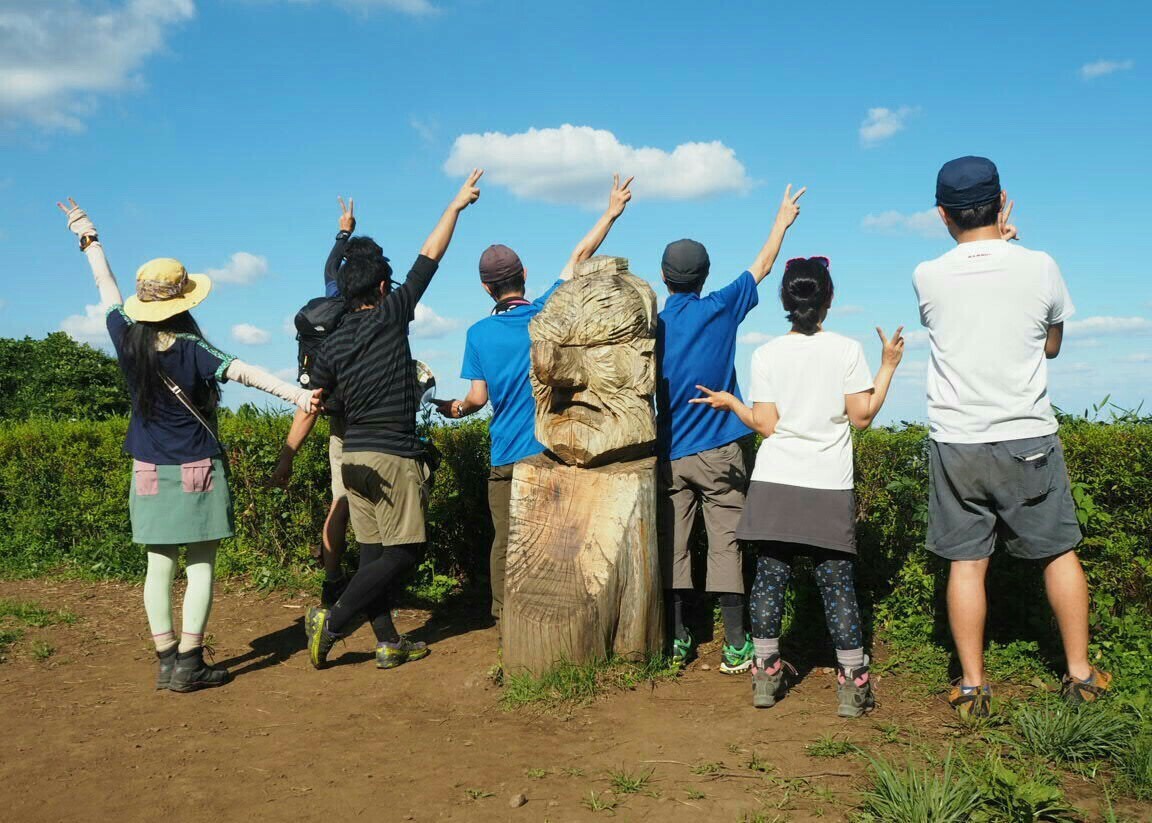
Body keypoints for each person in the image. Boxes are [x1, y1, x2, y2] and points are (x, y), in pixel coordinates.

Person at [57, 198, 321, 692]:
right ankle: (190, 662)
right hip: (198, 465)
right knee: (200, 568)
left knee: (158, 568)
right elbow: (247, 373)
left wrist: (87, 236)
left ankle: (165, 661)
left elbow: (104, 287)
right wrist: (301, 395)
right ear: (182, 301)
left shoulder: (124, 336)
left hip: (147, 468)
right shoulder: (193, 348)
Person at [914, 156, 1110, 717]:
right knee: (1058, 554)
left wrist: (994, 246)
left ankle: (973, 686)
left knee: (967, 562)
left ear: (942, 214)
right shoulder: (1040, 266)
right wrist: (1009, 246)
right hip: (1028, 436)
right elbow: (1051, 346)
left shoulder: (926, 275)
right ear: (1002, 203)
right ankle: (1080, 675)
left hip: (956, 439)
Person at [692, 256, 904, 717]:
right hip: (828, 483)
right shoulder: (847, 350)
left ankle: (765, 677)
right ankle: (853, 685)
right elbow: (862, 417)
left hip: (775, 482)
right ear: (830, 297)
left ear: (785, 299)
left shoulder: (766, 354)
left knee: (770, 577)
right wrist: (888, 365)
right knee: (837, 584)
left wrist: (733, 404)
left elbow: (766, 425)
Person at [433, 174, 633, 636]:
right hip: (551, 451)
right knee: (558, 539)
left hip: (506, 455)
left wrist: (453, 409)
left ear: (486, 289)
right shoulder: (546, 312)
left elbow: (477, 400)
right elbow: (579, 257)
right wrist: (611, 211)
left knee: (507, 541)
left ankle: (505, 620)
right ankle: (558, 616)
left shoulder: (478, 334)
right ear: (523, 275)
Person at [304, 170, 484, 670]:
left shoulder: (332, 343)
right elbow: (430, 256)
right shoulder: (391, 314)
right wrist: (455, 206)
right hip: (391, 456)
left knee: (372, 555)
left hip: (353, 458)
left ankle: (387, 642)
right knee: (405, 552)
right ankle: (333, 621)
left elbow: (318, 394)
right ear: (383, 286)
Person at [656, 184, 806, 673]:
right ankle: (736, 645)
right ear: (704, 276)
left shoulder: (652, 327)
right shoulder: (722, 307)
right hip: (721, 449)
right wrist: (782, 220)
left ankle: (678, 639)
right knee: (725, 542)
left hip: (670, 453)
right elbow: (762, 265)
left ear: (664, 277)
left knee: (673, 544)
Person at [271, 196, 358, 606]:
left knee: (340, 499)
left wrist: (343, 231)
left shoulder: (331, 298)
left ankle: (332, 579)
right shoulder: (373, 312)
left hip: (338, 423)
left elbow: (329, 267)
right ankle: (375, 584)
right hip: (373, 421)